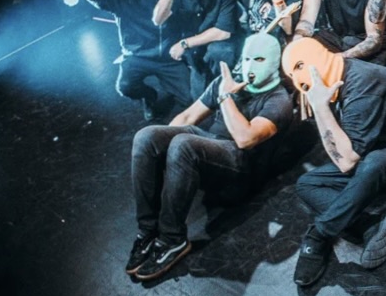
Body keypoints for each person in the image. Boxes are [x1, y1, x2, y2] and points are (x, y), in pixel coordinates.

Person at [127, 32, 297, 281]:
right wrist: (162, 150)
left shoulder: (278, 101)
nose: (250, 66)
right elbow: (187, 117)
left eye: (259, 59)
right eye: (247, 58)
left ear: (273, 63)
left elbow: (245, 139)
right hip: (210, 148)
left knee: (183, 145)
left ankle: (172, 239)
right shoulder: (226, 82)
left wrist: (225, 97)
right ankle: (147, 231)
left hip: (242, 167)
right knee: (147, 137)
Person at [283, 37, 386, 286]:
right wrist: (320, 104)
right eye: (291, 74)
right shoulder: (337, 81)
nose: (298, 80)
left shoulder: (364, 83)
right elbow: (344, 151)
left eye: (299, 66)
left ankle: (319, 234)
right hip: (378, 151)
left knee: (374, 163)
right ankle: (368, 223)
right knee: (307, 183)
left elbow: (346, 161)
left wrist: (319, 107)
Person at [82, 0, 191, 121]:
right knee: (125, 86)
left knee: (190, 98)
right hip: (137, 56)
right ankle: (149, 97)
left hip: (169, 56)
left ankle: (170, 88)